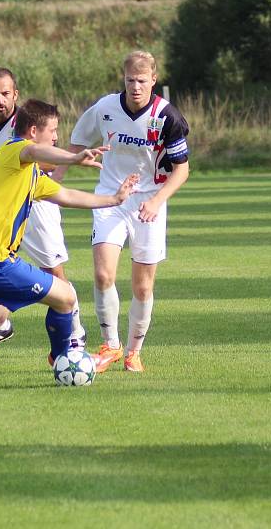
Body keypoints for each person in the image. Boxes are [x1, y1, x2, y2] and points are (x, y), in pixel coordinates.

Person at [0, 99, 138, 391]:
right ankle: (62, 359)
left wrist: (114, 199)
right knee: (65, 297)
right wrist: (72, 158)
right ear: (34, 130)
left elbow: (67, 195)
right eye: (54, 130)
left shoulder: (30, 174)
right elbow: (34, 150)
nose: (57, 137)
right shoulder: (14, 151)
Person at [59, 50, 190, 373]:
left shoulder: (166, 117)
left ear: (153, 81)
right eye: (130, 80)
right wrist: (53, 182)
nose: (135, 87)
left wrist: (157, 201)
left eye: (142, 81)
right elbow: (76, 145)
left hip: (149, 203)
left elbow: (182, 170)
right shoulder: (104, 109)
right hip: (110, 199)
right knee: (103, 274)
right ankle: (110, 346)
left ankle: (134, 351)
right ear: (124, 78)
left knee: (142, 287)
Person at [0, 68, 86, 360]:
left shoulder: (27, 124)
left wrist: (69, 162)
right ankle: (2, 323)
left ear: (16, 94)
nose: (0, 100)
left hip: (36, 207)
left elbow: (47, 155)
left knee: (54, 272)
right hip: (2, 209)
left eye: (5, 94)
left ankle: (75, 334)